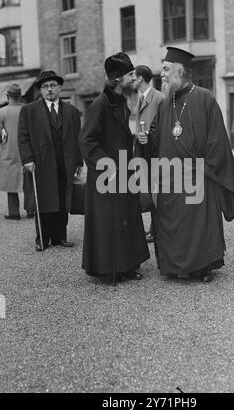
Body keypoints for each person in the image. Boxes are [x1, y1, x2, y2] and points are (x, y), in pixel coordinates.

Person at [138, 47, 234, 282]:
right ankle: (176, 267)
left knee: (199, 225)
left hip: (198, 175)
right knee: (172, 223)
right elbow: (158, 135)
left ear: (180, 70)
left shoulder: (204, 97)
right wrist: (146, 139)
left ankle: (202, 267)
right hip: (170, 176)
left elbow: (217, 139)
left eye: (166, 70)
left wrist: (204, 168)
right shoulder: (167, 102)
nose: (162, 74)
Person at [79, 52, 150, 282]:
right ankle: (110, 269)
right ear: (118, 79)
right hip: (107, 176)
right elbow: (87, 141)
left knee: (126, 217)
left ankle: (128, 266)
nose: (134, 77)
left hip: (124, 171)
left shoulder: (122, 100)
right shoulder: (100, 105)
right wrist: (107, 167)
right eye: (130, 74)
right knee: (110, 221)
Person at [18, 70, 83, 251]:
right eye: (45, 87)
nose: (49, 90)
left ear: (60, 87)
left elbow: (78, 137)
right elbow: (22, 137)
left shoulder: (71, 111)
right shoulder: (29, 110)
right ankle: (43, 238)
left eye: (53, 85)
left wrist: (79, 162)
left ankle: (60, 237)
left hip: (65, 163)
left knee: (63, 200)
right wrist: (27, 159)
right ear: (41, 90)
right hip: (41, 163)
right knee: (45, 200)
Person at [132, 65, 164, 243]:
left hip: (154, 153)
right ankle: (153, 228)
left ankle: (156, 230)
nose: (132, 80)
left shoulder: (158, 97)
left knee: (156, 191)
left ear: (141, 79)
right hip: (143, 151)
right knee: (149, 190)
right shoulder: (141, 98)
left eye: (134, 77)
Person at [0, 84, 34, 219]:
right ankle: (31, 210)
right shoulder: (28, 110)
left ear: (8, 97)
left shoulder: (2, 112)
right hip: (27, 151)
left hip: (8, 152)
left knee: (11, 184)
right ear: (20, 96)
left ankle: (14, 212)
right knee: (28, 183)